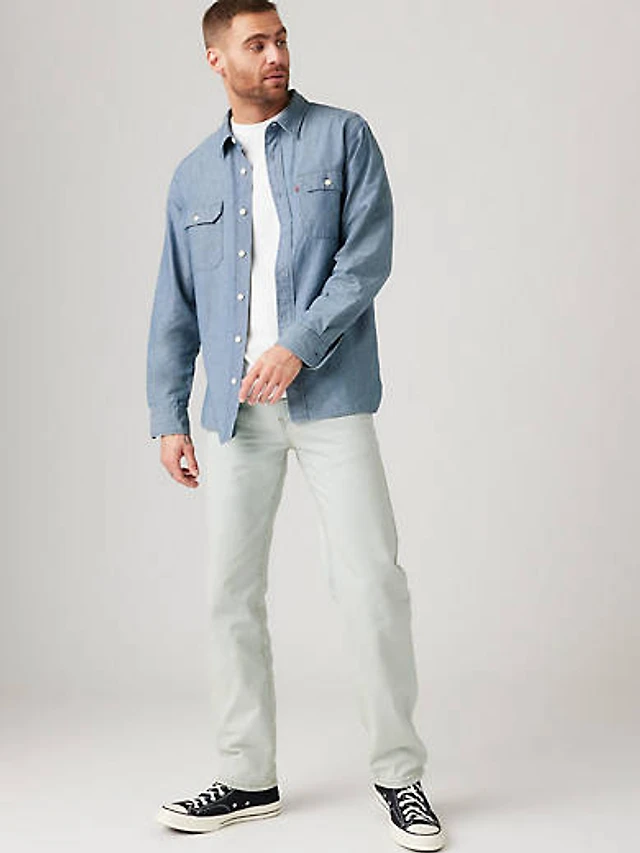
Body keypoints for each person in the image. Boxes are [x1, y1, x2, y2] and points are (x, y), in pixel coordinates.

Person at [146, 1, 446, 849]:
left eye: (280, 39)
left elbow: (367, 258)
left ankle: (400, 775)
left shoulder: (344, 137)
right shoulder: (192, 177)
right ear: (217, 60)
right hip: (233, 415)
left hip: (330, 398)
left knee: (372, 583)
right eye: (257, 43)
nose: (276, 54)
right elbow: (175, 303)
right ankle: (248, 775)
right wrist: (168, 414)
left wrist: (297, 346)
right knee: (229, 594)